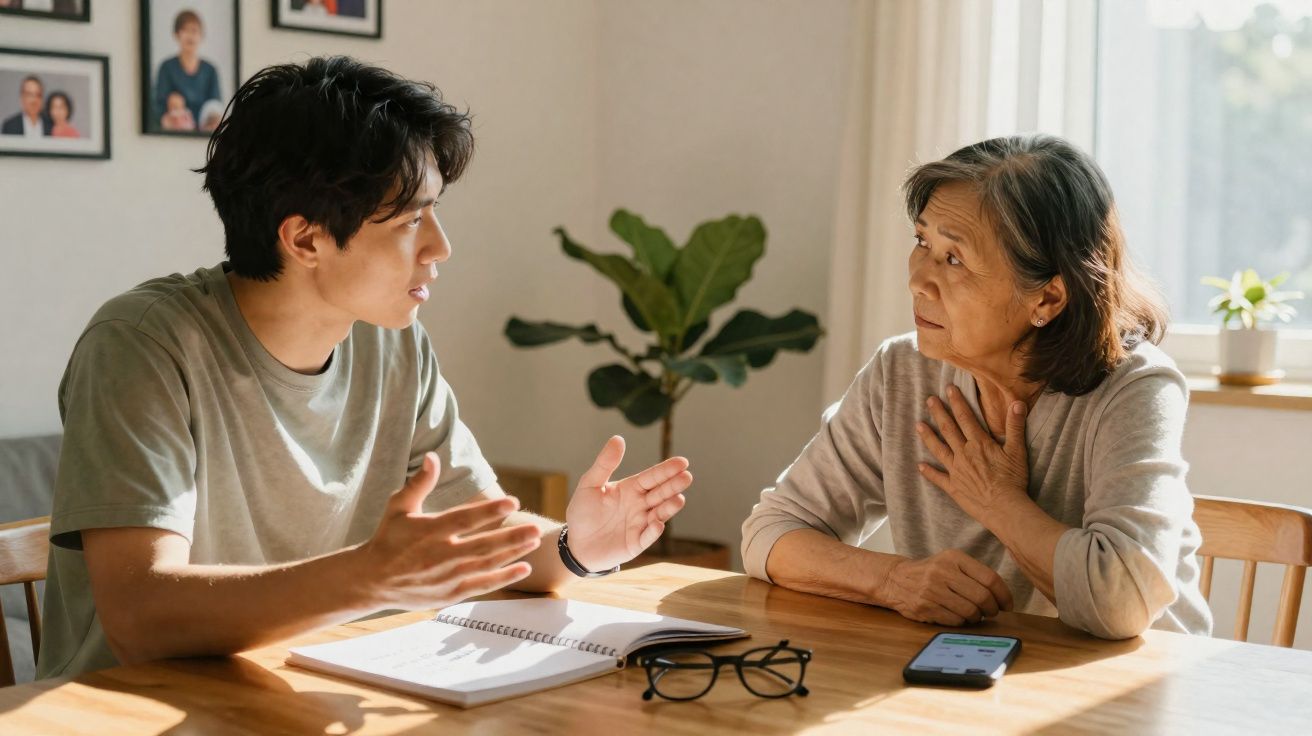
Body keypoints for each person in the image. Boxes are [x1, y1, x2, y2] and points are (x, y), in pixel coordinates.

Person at [38, 55, 693, 679]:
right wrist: (368, 577)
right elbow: (141, 617)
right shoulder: (142, 345)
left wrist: (578, 546)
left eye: (435, 212)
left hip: (305, 693)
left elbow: (484, 543)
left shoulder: (393, 343)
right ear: (304, 238)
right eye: (409, 220)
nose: (440, 248)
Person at [741, 134, 1212, 641]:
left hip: (1138, 682)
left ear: (1048, 299)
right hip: (971, 670)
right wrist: (893, 580)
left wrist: (996, 501)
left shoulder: (1135, 387)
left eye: (954, 259)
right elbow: (771, 533)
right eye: (923, 242)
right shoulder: (902, 372)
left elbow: (1123, 600)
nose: (918, 280)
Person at [151, 9, 221, 132]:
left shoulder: (210, 71)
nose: (190, 36)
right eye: (185, 30)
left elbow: (216, 107)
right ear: (177, 34)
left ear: (201, 35)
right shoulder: (166, 68)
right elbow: (157, 108)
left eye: (194, 31)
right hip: (174, 134)